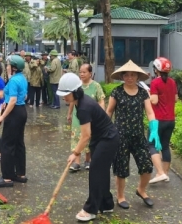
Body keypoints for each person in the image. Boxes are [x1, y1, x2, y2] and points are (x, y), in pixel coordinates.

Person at [59, 73, 119, 222]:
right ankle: (106, 203)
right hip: (100, 139)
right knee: (101, 171)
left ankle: (91, 209)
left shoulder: (84, 108)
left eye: (66, 94)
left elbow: (86, 135)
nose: (64, 97)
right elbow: (89, 135)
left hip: (108, 139)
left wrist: (75, 153)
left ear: (75, 92)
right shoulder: (81, 103)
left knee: (95, 172)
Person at [106, 60, 157, 209]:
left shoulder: (142, 93)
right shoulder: (117, 91)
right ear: (122, 77)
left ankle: (141, 190)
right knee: (121, 169)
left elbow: (149, 112)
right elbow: (109, 111)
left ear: (137, 77)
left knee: (147, 165)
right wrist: (103, 129)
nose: (129, 78)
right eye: (126, 75)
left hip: (138, 136)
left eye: (133, 75)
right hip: (120, 136)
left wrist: (154, 127)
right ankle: (120, 196)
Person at [0, 55, 28, 187]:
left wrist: (2, 116)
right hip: (21, 111)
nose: (6, 67)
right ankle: (20, 174)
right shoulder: (22, 78)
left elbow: (13, 100)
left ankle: (7, 177)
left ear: (13, 68)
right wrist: (5, 103)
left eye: (8, 65)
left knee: (6, 144)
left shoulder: (13, 81)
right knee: (19, 143)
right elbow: (23, 96)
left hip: (14, 113)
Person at [67, 63, 105, 172]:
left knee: (88, 136)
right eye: (80, 72)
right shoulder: (76, 86)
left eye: (84, 72)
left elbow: (101, 100)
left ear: (90, 73)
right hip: (77, 116)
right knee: (76, 137)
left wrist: (101, 115)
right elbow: (71, 101)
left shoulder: (96, 86)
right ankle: (77, 162)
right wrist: (69, 113)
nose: (82, 74)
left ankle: (88, 160)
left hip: (91, 117)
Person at [149, 57, 178, 184]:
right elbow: (176, 99)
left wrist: (147, 93)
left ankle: (160, 173)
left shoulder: (155, 82)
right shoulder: (172, 82)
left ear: (156, 69)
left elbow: (154, 101)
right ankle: (165, 174)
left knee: (151, 145)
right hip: (171, 119)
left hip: (157, 120)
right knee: (165, 146)